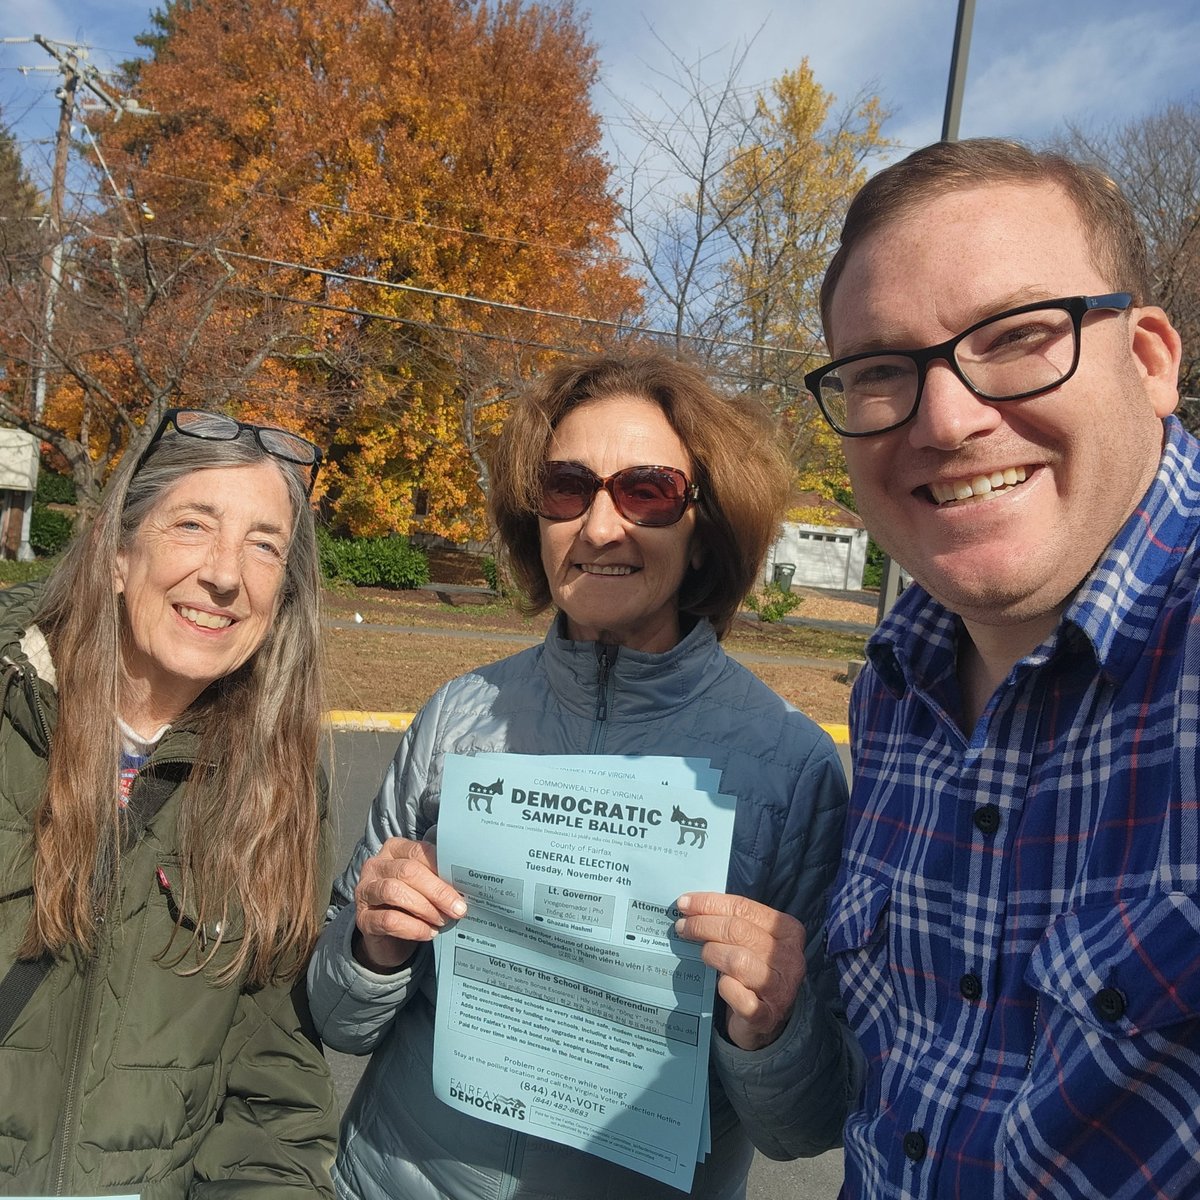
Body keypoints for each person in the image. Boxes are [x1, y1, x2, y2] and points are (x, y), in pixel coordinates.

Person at [307, 351, 863, 1200]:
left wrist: (775, 1026)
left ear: (705, 522)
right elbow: (335, 1020)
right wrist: (370, 944)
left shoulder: (791, 766)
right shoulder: (457, 716)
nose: (601, 527)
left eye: (646, 491)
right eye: (568, 487)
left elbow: (808, 1127)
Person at [806, 137, 1199, 1198]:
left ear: (1151, 359)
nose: (948, 420)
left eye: (1021, 336)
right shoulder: (893, 689)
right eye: (883, 370)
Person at [0, 408, 337, 1196]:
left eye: (264, 545)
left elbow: (274, 1083)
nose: (226, 573)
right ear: (117, 552)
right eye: (193, 524)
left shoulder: (281, 779)